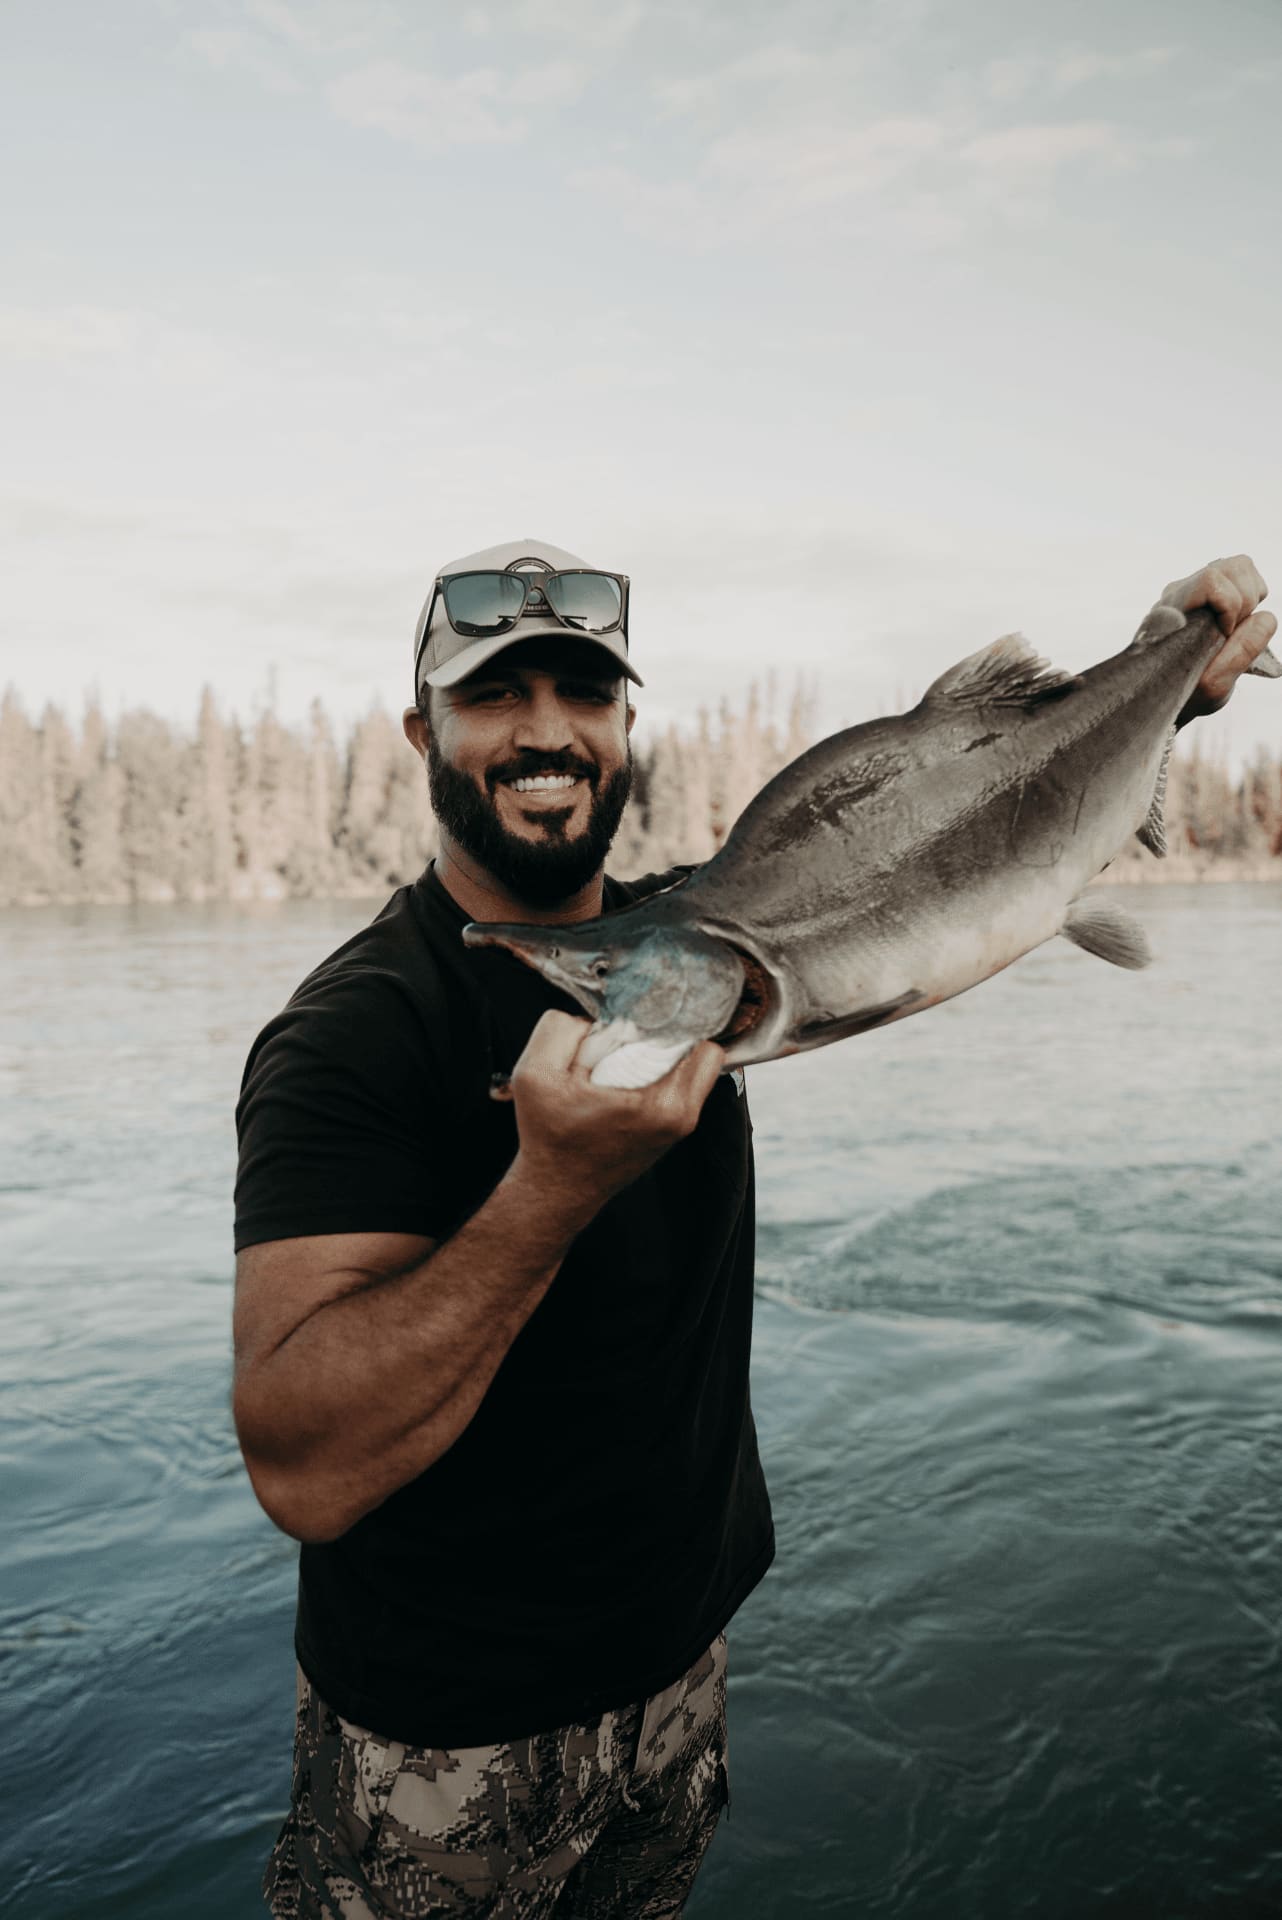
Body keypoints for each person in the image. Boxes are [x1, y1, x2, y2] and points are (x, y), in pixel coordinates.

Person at [232, 540, 1275, 1920]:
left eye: (584, 695)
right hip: (445, 1741)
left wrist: (1160, 681)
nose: (547, 731)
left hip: (676, 1678)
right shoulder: (351, 1033)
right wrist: (547, 1189)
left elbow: (926, 889)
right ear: (424, 734)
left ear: (622, 730)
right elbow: (301, 1470)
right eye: (495, 698)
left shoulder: (710, 935)